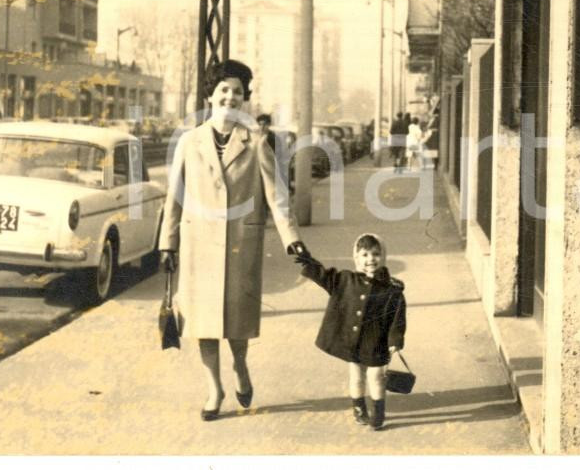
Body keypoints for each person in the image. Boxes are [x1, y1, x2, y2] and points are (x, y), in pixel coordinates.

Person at [159, 59, 309, 421]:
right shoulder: (190, 141)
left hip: (241, 245)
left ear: (244, 98)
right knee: (203, 325)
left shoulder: (255, 142)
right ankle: (215, 389)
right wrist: (167, 243)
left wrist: (291, 237)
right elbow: (175, 195)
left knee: (237, 325)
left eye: (237, 91)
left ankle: (240, 366)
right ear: (210, 95)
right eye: (223, 89)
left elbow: (276, 195)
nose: (230, 96)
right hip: (198, 248)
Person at [295, 233, 406, 430]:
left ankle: (378, 413)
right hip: (352, 342)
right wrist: (306, 259)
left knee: (376, 377)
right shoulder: (345, 280)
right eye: (364, 255)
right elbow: (322, 275)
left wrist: (395, 341)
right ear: (356, 258)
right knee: (356, 376)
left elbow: (397, 317)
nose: (370, 259)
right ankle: (359, 409)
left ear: (383, 256)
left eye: (376, 254)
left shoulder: (392, 289)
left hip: (376, 342)